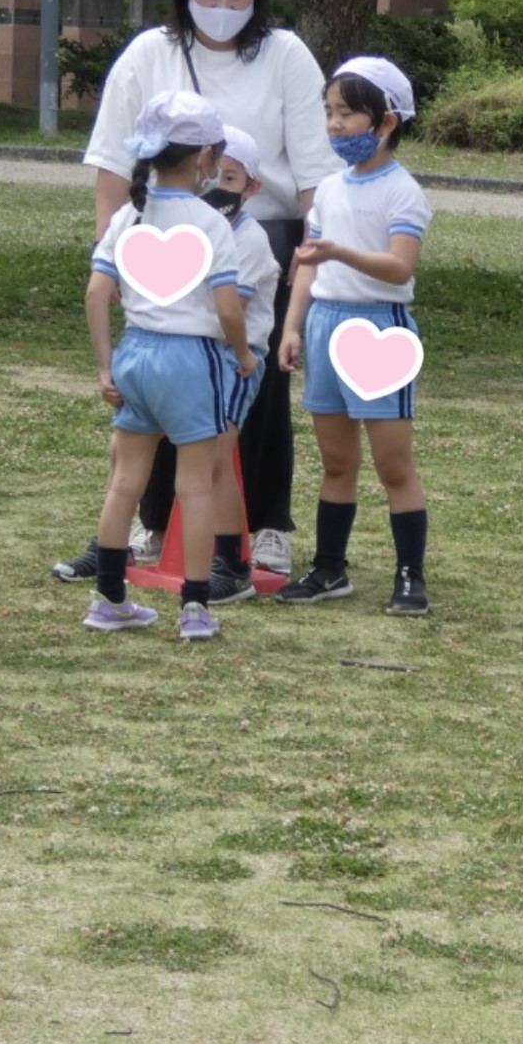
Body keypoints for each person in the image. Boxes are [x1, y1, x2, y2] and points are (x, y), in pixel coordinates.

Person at [52, 0, 337, 583]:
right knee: (157, 382)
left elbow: (315, 175)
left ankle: (261, 527)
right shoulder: (148, 54)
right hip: (162, 232)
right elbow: (112, 167)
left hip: (258, 232)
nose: (222, 7)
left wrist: (310, 267)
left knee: (252, 386)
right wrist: (114, 257)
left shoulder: (286, 56)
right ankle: (147, 525)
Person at [82, 90, 255, 642]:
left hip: (134, 354)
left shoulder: (127, 216)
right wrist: (244, 353)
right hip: (190, 361)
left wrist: (105, 368)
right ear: (206, 157)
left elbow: (96, 294)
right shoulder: (210, 222)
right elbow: (228, 309)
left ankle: (109, 598)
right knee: (195, 486)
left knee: (123, 482)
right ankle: (195, 607)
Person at [276, 57, 432, 616]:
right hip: (325, 325)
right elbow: (309, 266)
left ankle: (410, 576)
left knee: (394, 465)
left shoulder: (402, 192)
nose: (335, 124)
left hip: (379, 329)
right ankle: (329, 568)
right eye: (329, 112)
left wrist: (339, 251)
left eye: (347, 113)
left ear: (386, 122)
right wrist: (292, 328)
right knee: (336, 462)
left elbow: (399, 268)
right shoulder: (329, 191)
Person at [199, 124, 284, 605]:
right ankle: (111, 547)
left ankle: (232, 563)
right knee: (135, 443)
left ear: (252, 187)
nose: (216, 186)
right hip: (191, 350)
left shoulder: (250, 239)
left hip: (236, 359)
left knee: (216, 456)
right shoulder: (189, 228)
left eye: (229, 179)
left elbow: (230, 311)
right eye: (211, 173)